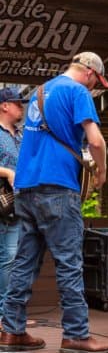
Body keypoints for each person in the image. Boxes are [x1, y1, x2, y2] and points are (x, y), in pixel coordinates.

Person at [0, 52, 108, 353]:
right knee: (69, 263)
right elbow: (97, 141)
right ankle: (76, 335)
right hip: (57, 187)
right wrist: (103, 171)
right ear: (90, 73)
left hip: (26, 188)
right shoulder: (76, 91)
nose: (93, 89)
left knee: (24, 262)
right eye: (96, 84)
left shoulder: (41, 90)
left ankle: (11, 331)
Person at [0, 87, 37, 331]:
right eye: (17, 103)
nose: (21, 107)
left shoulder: (23, 134)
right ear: (4, 106)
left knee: (13, 258)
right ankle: (6, 314)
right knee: (8, 258)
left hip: (17, 206)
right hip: (4, 201)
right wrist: (7, 171)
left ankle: (10, 314)